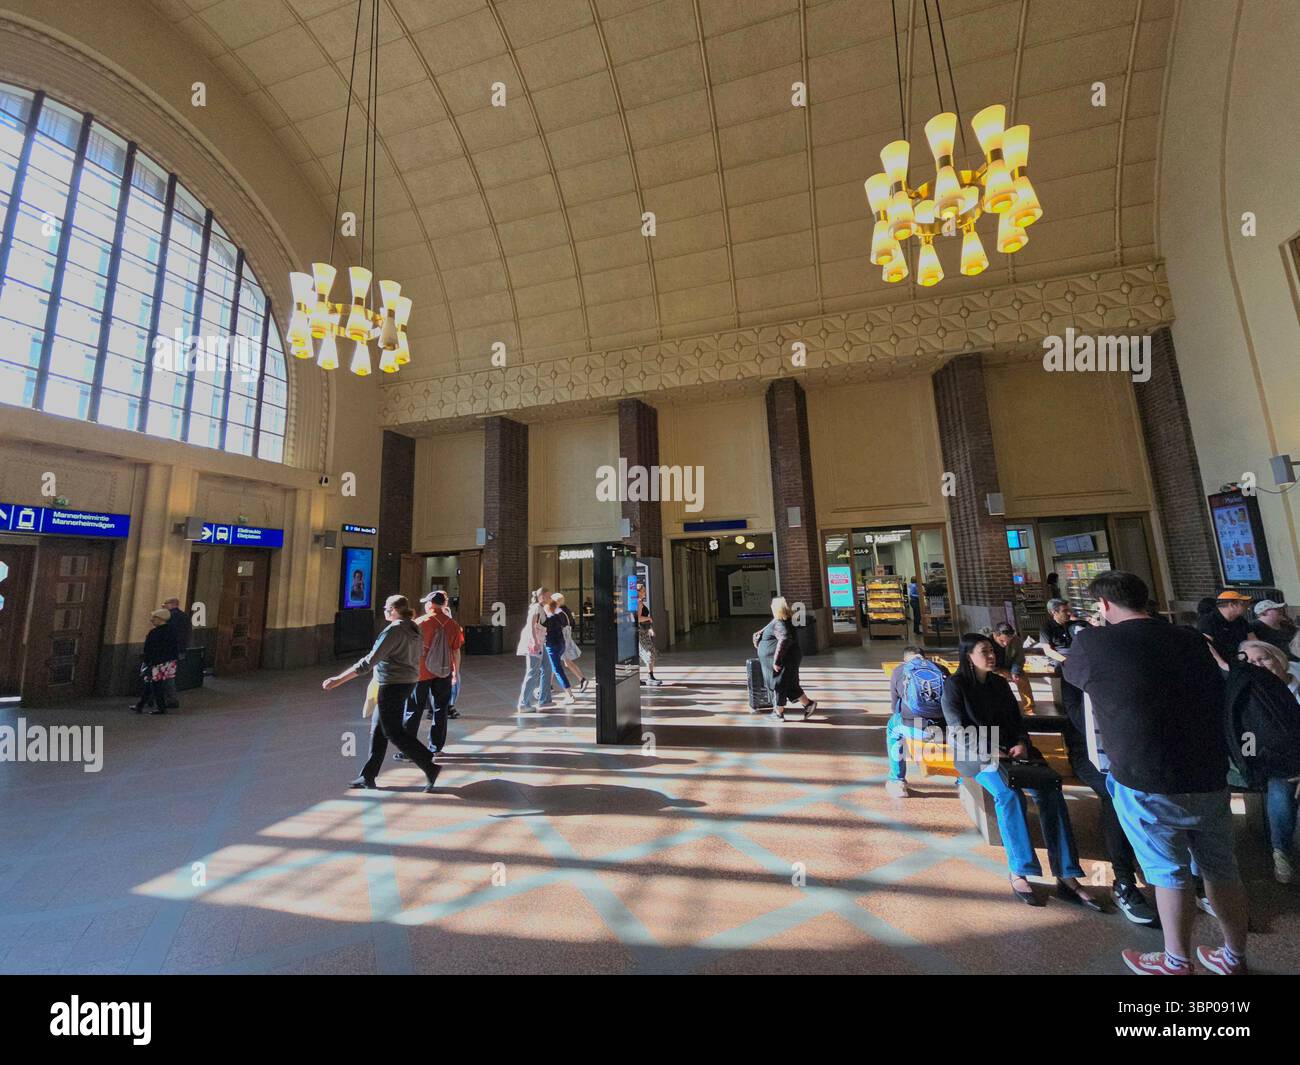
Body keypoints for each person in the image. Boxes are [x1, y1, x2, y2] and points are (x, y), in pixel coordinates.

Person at [1064, 570, 1248, 976]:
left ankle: (1176, 961)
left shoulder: (1094, 641)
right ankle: (1234, 956)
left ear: (1105, 605)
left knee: (1169, 873)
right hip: (1207, 771)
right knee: (1221, 869)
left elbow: (1074, 676)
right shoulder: (1187, 637)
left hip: (1146, 774)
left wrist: (1094, 635)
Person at [941, 632, 1096, 909]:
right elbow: (956, 728)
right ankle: (1020, 869)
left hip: (1014, 752)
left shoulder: (1000, 684)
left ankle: (1067, 873)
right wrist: (990, 750)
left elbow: (1016, 720)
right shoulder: (955, 685)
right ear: (968, 656)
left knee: (1050, 791)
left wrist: (1021, 743)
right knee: (1008, 795)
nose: (991, 656)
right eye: (984, 651)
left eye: (991, 651)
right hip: (977, 755)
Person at [323, 594, 440, 792]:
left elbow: (369, 662)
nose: (385, 610)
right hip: (408, 681)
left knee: (393, 732)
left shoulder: (394, 630)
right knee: (378, 729)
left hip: (392, 684)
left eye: (387, 607)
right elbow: (418, 653)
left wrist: (339, 679)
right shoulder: (413, 627)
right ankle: (367, 776)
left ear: (394, 610)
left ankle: (429, 764)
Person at [1232, 639, 1299, 884]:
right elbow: (1247, 739)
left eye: (1263, 659)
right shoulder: (1250, 697)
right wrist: (1253, 762)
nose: (1258, 665)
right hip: (1278, 766)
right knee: (1282, 785)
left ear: (1278, 658)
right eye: (1249, 662)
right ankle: (1280, 852)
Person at [395, 591, 463, 763]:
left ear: (431, 604)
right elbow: (456, 651)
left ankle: (408, 750)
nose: (425, 605)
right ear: (443, 605)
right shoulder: (453, 625)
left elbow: (408, 648)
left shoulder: (420, 623)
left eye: (426, 602)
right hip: (444, 671)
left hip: (421, 672)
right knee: (441, 709)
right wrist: (456, 672)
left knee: (413, 709)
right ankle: (436, 748)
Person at [885, 646, 948, 797]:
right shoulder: (941, 669)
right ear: (924, 657)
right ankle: (962, 782)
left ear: (905, 659)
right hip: (945, 729)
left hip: (917, 730)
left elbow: (895, 708)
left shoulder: (899, 671)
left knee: (892, 728)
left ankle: (897, 780)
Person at [753, 597, 816, 720]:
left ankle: (778, 713)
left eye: (772, 605)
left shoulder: (779, 622)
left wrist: (777, 661)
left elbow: (785, 639)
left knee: (778, 684)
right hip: (789, 657)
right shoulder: (782, 620)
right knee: (791, 684)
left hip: (783, 659)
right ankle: (808, 704)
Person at [1038, 598, 1082, 719]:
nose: (1068, 613)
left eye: (1069, 610)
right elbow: (1048, 650)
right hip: (1062, 659)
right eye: (1065, 611)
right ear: (1054, 612)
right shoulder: (1047, 627)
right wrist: (1066, 660)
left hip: (1077, 657)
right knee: (1066, 674)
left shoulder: (1073, 624)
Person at [132, 608, 178, 715]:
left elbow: (149, 649)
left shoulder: (155, 632)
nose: (151, 620)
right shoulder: (172, 631)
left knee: (155, 684)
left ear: (160, 619)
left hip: (156, 662)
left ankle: (160, 708)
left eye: (154, 618)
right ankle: (140, 705)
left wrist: (147, 661)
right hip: (167, 662)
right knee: (153, 683)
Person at [1196, 589, 1253, 669]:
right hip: (1222, 663)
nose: (1247, 608)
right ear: (1232, 605)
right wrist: (1222, 664)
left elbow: (1252, 639)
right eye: (1243, 604)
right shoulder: (1208, 621)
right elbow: (1207, 645)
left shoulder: (1240, 620)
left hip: (1243, 658)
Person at [516, 587, 553, 711]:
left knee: (547, 667)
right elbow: (533, 625)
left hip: (540, 641)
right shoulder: (536, 608)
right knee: (532, 672)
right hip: (534, 643)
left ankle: (544, 698)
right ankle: (523, 703)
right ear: (542, 596)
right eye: (548, 596)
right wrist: (536, 642)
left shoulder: (541, 608)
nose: (550, 598)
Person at [541, 597, 578, 707]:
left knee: (557, 669)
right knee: (551, 667)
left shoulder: (549, 619)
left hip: (552, 645)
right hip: (561, 644)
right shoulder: (559, 617)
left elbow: (545, 630)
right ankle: (544, 688)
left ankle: (569, 694)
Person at [990, 622, 1033, 712]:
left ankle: (1029, 707)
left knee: (1022, 679)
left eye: (1008, 641)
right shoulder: (987, 641)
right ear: (995, 635)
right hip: (993, 668)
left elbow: (1019, 658)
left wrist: (1015, 672)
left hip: (1009, 667)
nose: (1005, 644)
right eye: (1002, 641)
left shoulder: (1016, 640)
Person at [551, 592, 588, 692]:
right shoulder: (566, 610)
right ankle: (582, 679)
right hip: (566, 639)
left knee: (554, 662)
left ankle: (548, 685)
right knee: (563, 662)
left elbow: (556, 626)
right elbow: (572, 624)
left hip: (559, 640)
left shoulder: (558, 612)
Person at [160, 597, 190, 709]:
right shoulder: (184, 616)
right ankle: (169, 698)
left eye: (165, 603)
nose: (163, 605)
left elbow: (169, 633)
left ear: (172, 604)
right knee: (170, 674)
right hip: (179, 649)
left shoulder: (171, 617)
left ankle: (170, 698)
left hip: (169, 650)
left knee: (167, 675)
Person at [635, 580, 662, 686]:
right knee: (649, 653)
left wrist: (650, 628)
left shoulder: (640, 602)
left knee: (646, 653)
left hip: (643, 631)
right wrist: (649, 618)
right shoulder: (639, 603)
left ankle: (648, 676)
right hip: (640, 632)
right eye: (643, 591)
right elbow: (638, 618)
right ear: (638, 592)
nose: (645, 592)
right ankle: (649, 676)